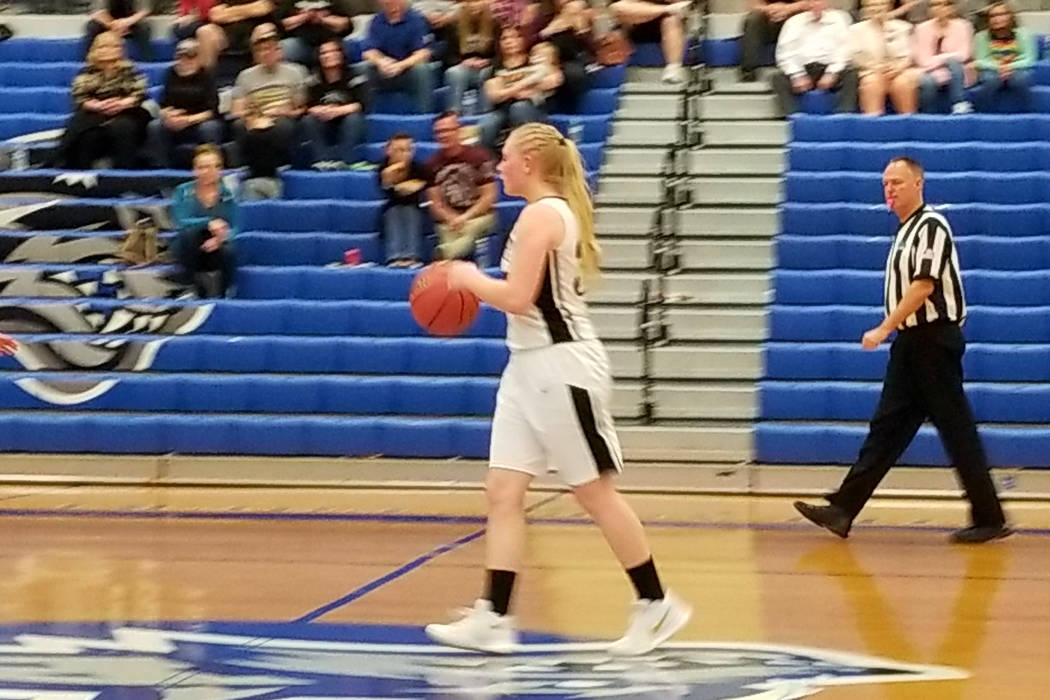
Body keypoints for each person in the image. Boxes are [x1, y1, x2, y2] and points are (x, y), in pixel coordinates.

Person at [424, 122, 692, 655]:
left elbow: (520, 297)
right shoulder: (540, 214)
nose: (495, 167)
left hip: (562, 368)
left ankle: (657, 603)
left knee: (592, 492)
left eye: (503, 158)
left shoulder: (543, 215)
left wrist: (463, 277)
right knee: (502, 490)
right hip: (526, 366)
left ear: (529, 163)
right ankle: (494, 617)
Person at [794, 157, 1012, 545]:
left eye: (897, 182)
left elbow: (923, 287)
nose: (889, 189)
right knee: (888, 430)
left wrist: (883, 329)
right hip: (912, 344)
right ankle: (844, 508)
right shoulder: (904, 232)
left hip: (932, 341)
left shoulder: (932, 226)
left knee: (954, 429)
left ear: (918, 184)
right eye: (885, 184)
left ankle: (990, 517)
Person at [54, 31, 150, 169]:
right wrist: (98, 105)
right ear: (95, 50)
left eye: (114, 46)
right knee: (89, 133)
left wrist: (122, 103)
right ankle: (78, 171)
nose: (109, 50)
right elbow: (80, 96)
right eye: (104, 46)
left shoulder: (130, 70)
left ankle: (125, 171)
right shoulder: (87, 72)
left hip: (128, 110)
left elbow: (139, 92)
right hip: (95, 111)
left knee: (123, 127)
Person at [230, 23, 309, 185]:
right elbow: (237, 110)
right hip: (256, 117)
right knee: (239, 125)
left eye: (270, 48)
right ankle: (253, 171)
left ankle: (271, 171)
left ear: (278, 51)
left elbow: (300, 109)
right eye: (261, 50)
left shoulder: (295, 72)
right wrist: (253, 117)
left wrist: (279, 113)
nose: (266, 53)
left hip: (282, 116)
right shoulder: (245, 76)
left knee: (282, 126)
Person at [425, 111, 498, 266]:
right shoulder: (431, 165)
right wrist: (451, 218)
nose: (443, 135)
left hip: (479, 217)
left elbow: (489, 196)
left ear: (458, 131)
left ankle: (445, 255)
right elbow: (435, 203)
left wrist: (465, 218)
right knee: (453, 234)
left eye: (448, 130)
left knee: (469, 231)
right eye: (439, 132)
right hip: (448, 221)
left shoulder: (480, 157)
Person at [171, 144, 238, 297]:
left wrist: (221, 239)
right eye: (204, 167)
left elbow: (238, 225)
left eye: (215, 166)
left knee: (230, 250)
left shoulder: (229, 192)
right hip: (190, 246)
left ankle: (224, 293)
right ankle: (191, 286)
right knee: (189, 234)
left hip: (217, 246)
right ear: (195, 170)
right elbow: (180, 220)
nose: (210, 171)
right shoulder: (183, 191)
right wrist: (208, 222)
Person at [771, 0, 857, 115]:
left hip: (830, 67)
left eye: (818, 1)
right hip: (804, 68)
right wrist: (797, 74)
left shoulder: (839, 19)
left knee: (852, 75)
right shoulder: (793, 22)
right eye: (811, 2)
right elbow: (784, 53)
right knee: (777, 78)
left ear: (826, 3)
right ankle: (794, 116)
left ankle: (843, 114)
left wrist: (832, 73)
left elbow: (845, 50)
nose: (815, 5)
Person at [148, 39, 223, 168]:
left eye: (191, 56)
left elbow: (212, 110)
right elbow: (163, 105)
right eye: (181, 56)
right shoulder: (170, 74)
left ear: (199, 57)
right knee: (155, 126)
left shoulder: (207, 76)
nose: (185, 60)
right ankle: (161, 168)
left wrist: (188, 120)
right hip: (175, 121)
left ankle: (209, 166)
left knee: (210, 128)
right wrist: (168, 115)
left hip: (200, 120)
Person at [480, 33, 563, 149]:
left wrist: (508, 89)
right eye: (504, 38)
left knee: (519, 108)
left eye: (515, 37)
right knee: (487, 123)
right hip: (502, 110)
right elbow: (494, 95)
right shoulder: (494, 68)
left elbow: (554, 80)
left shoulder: (534, 60)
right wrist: (521, 88)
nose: (509, 41)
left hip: (533, 107)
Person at [362, 0, 434, 113]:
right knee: (365, 67)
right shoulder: (376, 21)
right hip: (385, 70)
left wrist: (400, 65)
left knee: (422, 69)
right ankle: (368, 114)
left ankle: (423, 114)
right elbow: (368, 51)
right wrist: (381, 62)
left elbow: (423, 53)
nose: (390, 2)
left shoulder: (417, 20)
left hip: (408, 70)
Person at [303, 40, 366, 168]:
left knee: (354, 118)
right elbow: (309, 107)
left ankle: (345, 160)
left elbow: (361, 104)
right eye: (324, 53)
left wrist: (337, 111)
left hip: (347, 122)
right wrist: (323, 110)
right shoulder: (314, 79)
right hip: (324, 123)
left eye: (333, 51)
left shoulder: (355, 76)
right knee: (308, 120)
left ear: (341, 54)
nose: (329, 55)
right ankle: (322, 160)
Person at [850, 0, 917, 115]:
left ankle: (908, 125)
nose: (877, 8)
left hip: (898, 71)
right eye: (872, 5)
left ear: (889, 7)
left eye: (881, 4)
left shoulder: (903, 27)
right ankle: (872, 126)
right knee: (872, 83)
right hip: (871, 70)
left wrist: (899, 67)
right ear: (865, 8)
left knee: (903, 83)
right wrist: (876, 67)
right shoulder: (855, 30)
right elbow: (854, 56)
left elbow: (911, 54)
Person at [973, 1, 1035, 112]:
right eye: (993, 16)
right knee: (991, 80)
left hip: (1018, 68)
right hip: (991, 69)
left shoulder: (1024, 34)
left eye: (1002, 14)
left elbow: (1029, 59)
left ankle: (1026, 115)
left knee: (1019, 80)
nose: (997, 19)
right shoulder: (981, 37)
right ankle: (984, 115)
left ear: (1010, 16)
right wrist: (999, 67)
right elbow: (980, 60)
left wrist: (1009, 67)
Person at [913, 0, 973, 113]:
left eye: (944, 5)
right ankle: (928, 115)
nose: (939, 8)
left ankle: (959, 104)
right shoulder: (921, 29)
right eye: (935, 5)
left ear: (951, 8)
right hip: (929, 70)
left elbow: (965, 54)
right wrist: (945, 59)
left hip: (956, 70)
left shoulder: (963, 26)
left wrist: (943, 59)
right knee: (927, 81)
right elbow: (923, 60)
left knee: (954, 64)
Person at [610, 0, 690, 83]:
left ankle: (673, 67)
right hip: (636, 20)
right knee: (618, 8)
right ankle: (667, 9)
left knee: (672, 18)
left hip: (670, 21)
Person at [378, 132, 427, 267]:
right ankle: (395, 256)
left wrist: (408, 187)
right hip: (391, 207)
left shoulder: (418, 167)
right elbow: (388, 190)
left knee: (411, 213)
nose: (404, 154)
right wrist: (392, 173)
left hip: (415, 207)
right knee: (394, 213)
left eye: (408, 150)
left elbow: (420, 187)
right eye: (399, 150)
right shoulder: (383, 167)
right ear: (388, 150)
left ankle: (411, 256)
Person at [443, 0, 496, 114]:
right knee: (454, 73)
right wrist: (463, 62)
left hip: (488, 67)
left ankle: (484, 113)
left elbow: (502, 55)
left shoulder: (495, 25)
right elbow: (448, 56)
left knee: (486, 74)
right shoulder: (454, 26)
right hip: (465, 67)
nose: (474, 6)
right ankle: (454, 112)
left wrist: (489, 61)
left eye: (477, 2)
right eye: (470, 2)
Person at [739, 0, 805, 82]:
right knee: (752, 20)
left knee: (801, 18)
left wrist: (786, 9)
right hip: (769, 19)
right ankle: (748, 71)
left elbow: (810, 3)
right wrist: (769, 9)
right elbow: (753, 5)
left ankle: (799, 69)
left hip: (794, 18)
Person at [277, 0, 354, 67]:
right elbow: (282, 25)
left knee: (350, 47)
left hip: (332, 42)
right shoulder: (290, 2)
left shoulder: (333, 2)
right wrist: (305, 16)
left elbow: (345, 24)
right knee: (284, 48)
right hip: (302, 43)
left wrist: (322, 19)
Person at [84, 0, 152, 61]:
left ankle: (146, 61)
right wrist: (113, 25)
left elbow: (144, 10)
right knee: (92, 26)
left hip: (131, 21)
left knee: (144, 28)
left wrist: (127, 22)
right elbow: (97, 11)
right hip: (107, 21)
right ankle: (87, 61)